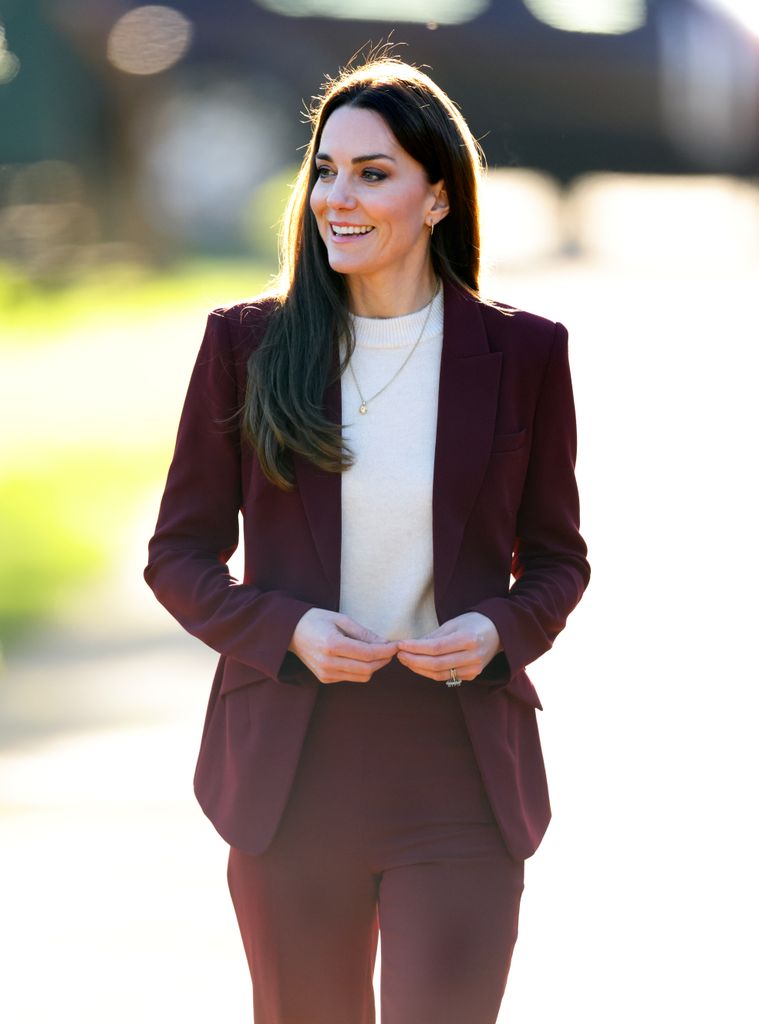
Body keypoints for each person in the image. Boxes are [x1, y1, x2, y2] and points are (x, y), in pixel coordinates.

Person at [145, 54, 589, 1024]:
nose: (337, 198)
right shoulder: (247, 346)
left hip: (461, 774)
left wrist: (498, 631)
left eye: (373, 173)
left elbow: (558, 559)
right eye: (327, 170)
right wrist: (286, 628)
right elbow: (177, 554)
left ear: (437, 198)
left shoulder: (524, 354)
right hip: (294, 780)